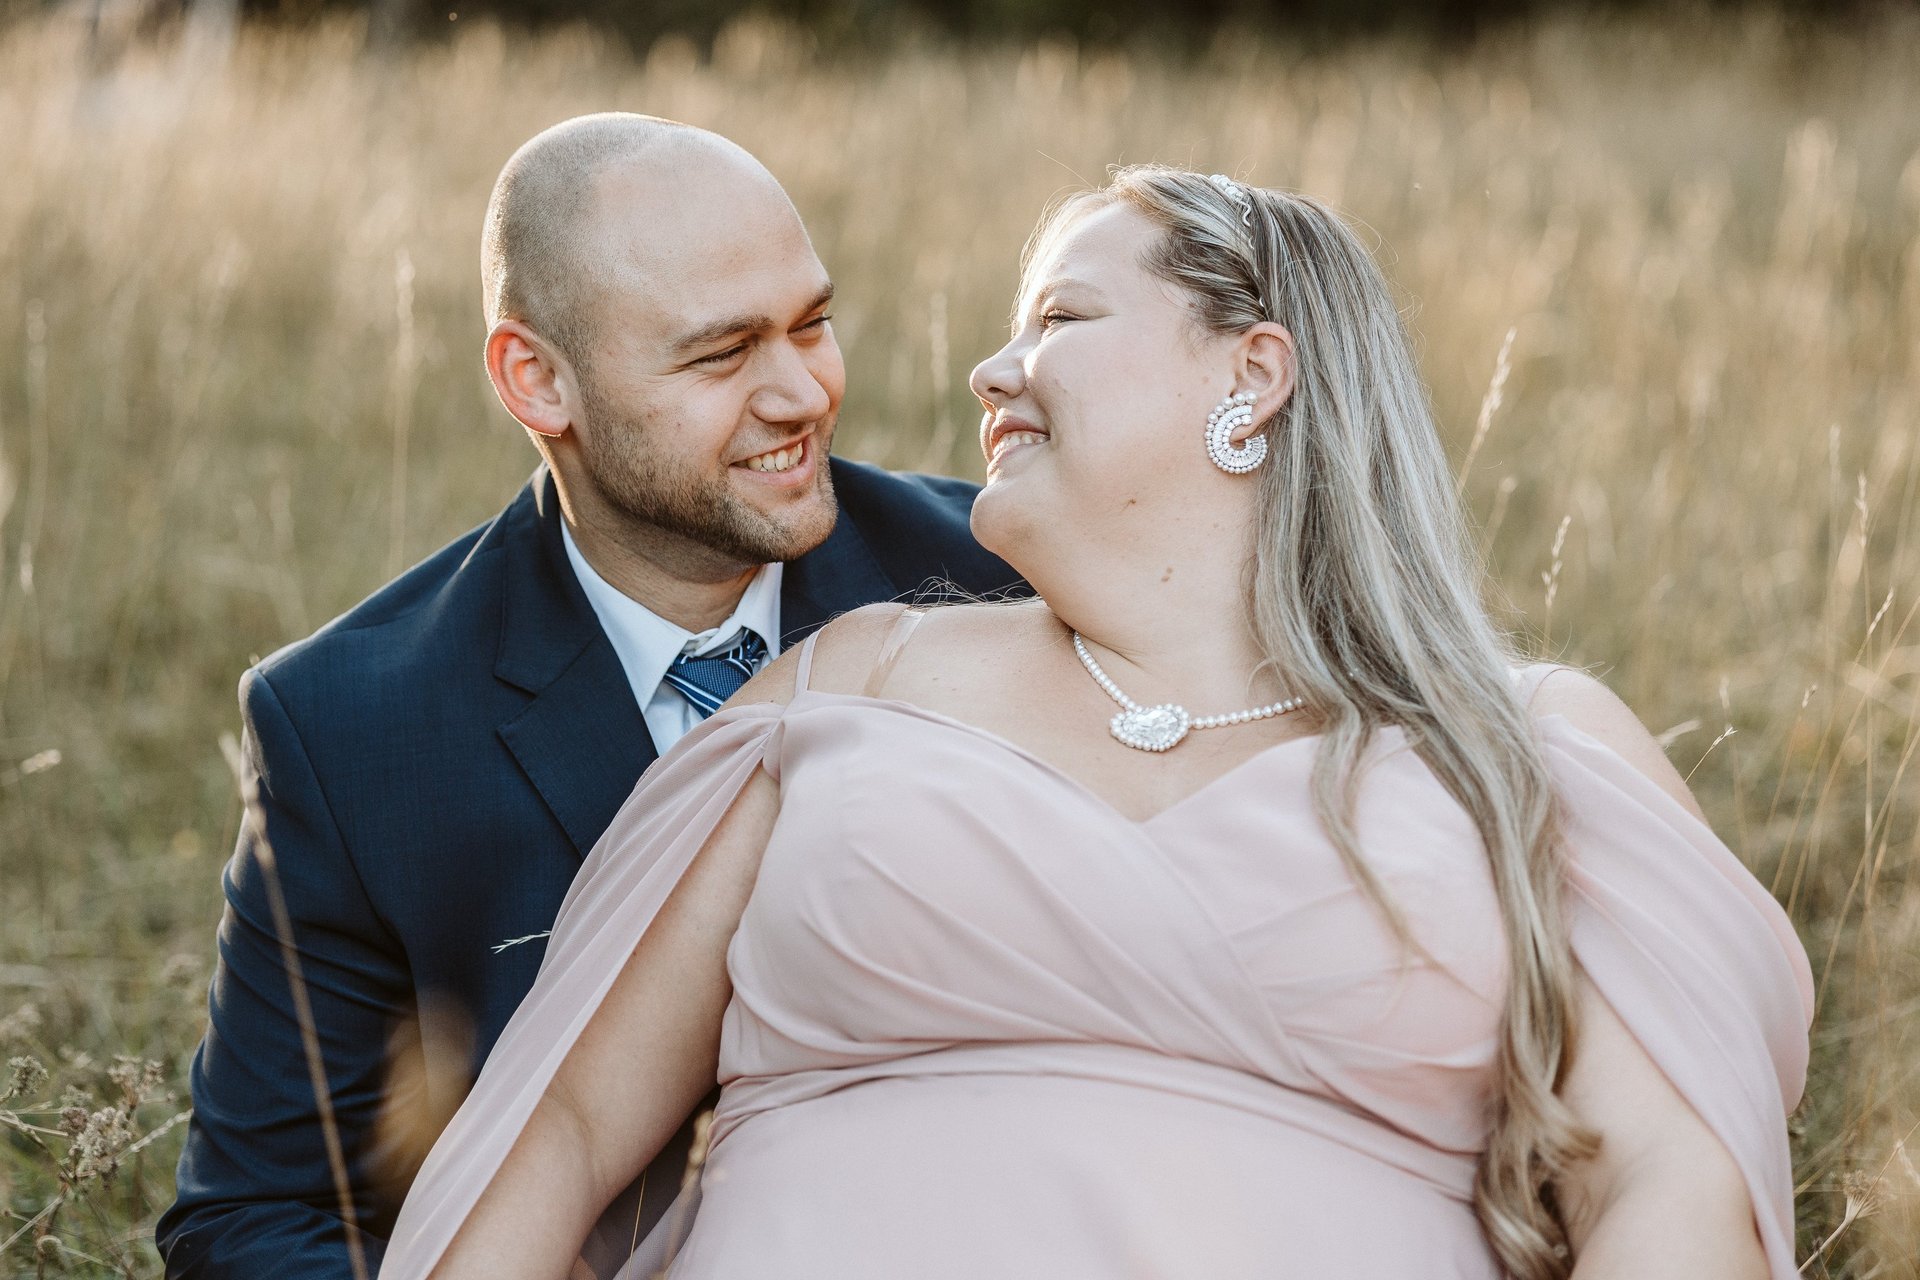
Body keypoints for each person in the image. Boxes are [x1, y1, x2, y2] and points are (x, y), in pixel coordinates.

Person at [377, 166, 1814, 1280]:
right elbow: (554, 1134)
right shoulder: (849, 681)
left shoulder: (1526, 745)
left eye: (1059, 319)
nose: (990, 374)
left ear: (1251, 374)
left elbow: (1666, 1186)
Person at [155, 114, 1022, 1280]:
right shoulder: (351, 726)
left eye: (812, 323)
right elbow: (253, 1216)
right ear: (538, 380)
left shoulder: (996, 578)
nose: (802, 392)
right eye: (721, 355)